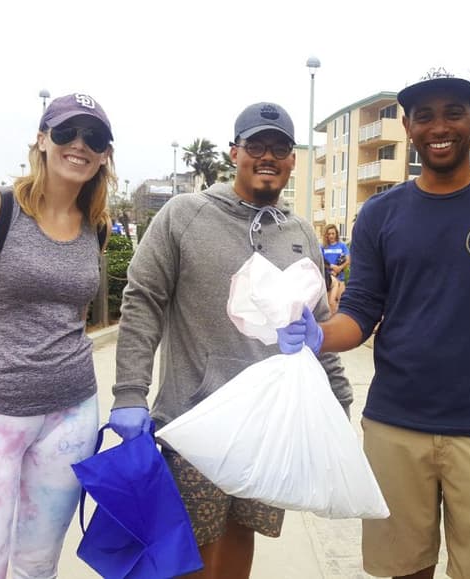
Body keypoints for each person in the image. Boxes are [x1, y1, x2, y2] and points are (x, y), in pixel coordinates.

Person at [277, 69, 470, 579]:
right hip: (395, 424)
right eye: (424, 116)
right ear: (408, 126)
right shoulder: (380, 214)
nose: (439, 126)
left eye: (453, 113)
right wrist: (319, 335)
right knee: (404, 570)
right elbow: (361, 312)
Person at [109, 101, 352, 579]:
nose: (268, 156)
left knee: (242, 535)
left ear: (292, 159)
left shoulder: (300, 232)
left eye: (279, 148)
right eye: (256, 145)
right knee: (188, 552)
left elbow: (317, 324)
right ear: (234, 152)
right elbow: (143, 301)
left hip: (268, 429)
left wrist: (339, 398)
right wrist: (130, 392)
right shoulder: (184, 215)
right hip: (194, 420)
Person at [0, 93, 115, 577]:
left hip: (71, 415)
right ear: (42, 139)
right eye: (67, 131)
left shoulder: (96, 225)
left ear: (104, 155)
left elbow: (69, 317)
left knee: (38, 565)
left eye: (94, 137)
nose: (79, 144)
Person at [322, 223, 351, 314]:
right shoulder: (323, 247)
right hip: (329, 279)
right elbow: (321, 261)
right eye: (329, 234)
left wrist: (339, 268)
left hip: (340, 278)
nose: (331, 236)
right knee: (329, 304)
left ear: (336, 234)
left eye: (333, 233)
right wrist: (332, 267)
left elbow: (348, 260)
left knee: (341, 303)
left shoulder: (342, 246)